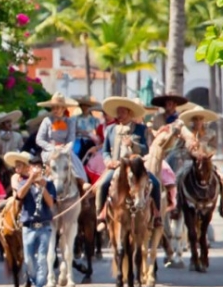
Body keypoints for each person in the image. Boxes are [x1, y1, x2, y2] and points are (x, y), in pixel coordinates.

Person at [95, 96, 164, 230]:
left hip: (136, 167)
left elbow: (145, 149)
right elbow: (105, 151)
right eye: (118, 112)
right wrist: (109, 162)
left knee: (155, 183)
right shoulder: (110, 130)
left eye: (123, 112)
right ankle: (101, 215)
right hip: (117, 167)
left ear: (129, 113)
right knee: (102, 184)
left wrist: (132, 144)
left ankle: (157, 215)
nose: (120, 115)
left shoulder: (140, 129)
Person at [7, 151, 56, 287]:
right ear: (29, 169)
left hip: (44, 226)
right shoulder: (23, 182)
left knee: (42, 259)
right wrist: (30, 182)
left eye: (38, 167)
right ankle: (36, 282)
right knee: (28, 261)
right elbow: (20, 195)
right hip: (28, 226)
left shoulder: (49, 184)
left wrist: (42, 187)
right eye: (33, 166)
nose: (36, 169)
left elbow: (51, 203)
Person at [35, 92, 89, 190]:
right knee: (43, 167)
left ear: (64, 108)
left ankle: (81, 182)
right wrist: (53, 148)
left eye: (58, 107)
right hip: (49, 151)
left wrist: (65, 149)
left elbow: (71, 139)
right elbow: (39, 139)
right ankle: (40, 186)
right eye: (53, 107)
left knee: (74, 160)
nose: (55, 110)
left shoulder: (70, 121)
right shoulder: (47, 121)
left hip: (65, 150)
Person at [74, 95, 100, 161]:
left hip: (90, 141)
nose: (84, 107)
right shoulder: (75, 119)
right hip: (78, 140)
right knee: (74, 154)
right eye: (83, 105)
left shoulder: (95, 120)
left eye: (87, 105)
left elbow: (99, 133)